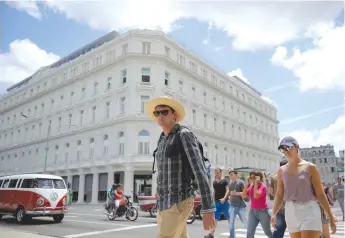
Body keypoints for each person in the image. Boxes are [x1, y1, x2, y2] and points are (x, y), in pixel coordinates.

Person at [145, 96, 216, 238]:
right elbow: (163, 172)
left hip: (178, 200)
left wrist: (208, 209)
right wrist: (158, 192)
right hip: (165, 202)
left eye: (164, 112)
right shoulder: (162, 139)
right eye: (157, 113)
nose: (160, 116)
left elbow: (200, 171)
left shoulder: (184, 135)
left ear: (174, 115)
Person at [271, 136, 337, 238]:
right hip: (290, 211)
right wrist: (274, 213)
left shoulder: (311, 167)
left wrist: (330, 216)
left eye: (288, 147)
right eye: (282, 149)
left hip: (309, 209)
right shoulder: (281, 170)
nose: (286, 151)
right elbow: (279, 194)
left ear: (297, 147)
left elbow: (320, 194)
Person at [243, 169, 272, 238]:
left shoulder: (263, 187)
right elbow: (244, 195)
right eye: (251, 178)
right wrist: (247, 183)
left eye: (254, 178)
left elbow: (256, 196)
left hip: (263, 212)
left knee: (267, 232)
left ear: (259, 178)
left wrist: (256, 183)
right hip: (253, 211)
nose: (252, 179)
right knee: (249, 233)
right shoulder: (251, 186)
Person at [206, 168, 230, 238]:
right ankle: (212, 234)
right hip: (217, 202)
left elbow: (228, 190)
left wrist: (224, 198)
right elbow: (214, 192)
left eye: (218, 173)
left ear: (221, 173)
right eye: (215, 173)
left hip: (225, 202)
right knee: (215, 218)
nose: (216, 174)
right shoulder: (214, 182)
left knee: (229, 218)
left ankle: (232, 233)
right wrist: (213, 201)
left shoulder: (225, 181)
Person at [269, 159, 288, 238]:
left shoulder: (274, 177)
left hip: (279, 208)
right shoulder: (293, 176)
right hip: (291, 207)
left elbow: (271, 192)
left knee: (279, 229)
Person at [228, 169, 247, 238]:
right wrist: (230, 199)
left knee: (244, 221)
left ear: (236, 175)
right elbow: (230, 193)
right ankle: (232, 236)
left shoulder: (241, 183)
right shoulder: (230, 183)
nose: (230, 176)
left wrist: (237, 193)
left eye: (232, 174)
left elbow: (245, 193)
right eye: (229, 175)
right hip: (232, 205)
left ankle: (250, 234)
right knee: (231, 222)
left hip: (240, 206)